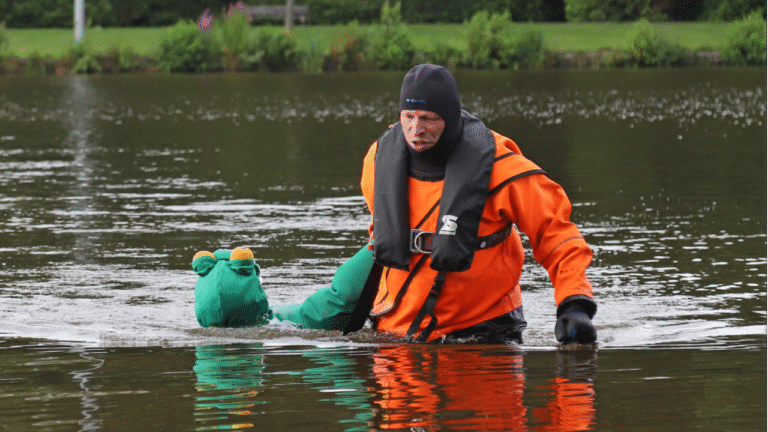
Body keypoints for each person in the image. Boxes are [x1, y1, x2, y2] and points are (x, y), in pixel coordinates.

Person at [347, 63, 597, 344]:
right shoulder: (378, 159)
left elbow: (557, 234)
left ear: (451, 118)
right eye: (409, 116)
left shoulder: (502, 169)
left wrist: (574, 304)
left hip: (483, 330)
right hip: (395, 330)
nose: (416, 129)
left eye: (428, 118)